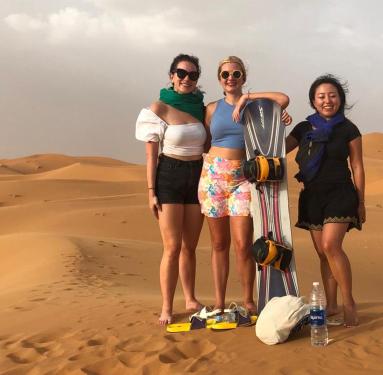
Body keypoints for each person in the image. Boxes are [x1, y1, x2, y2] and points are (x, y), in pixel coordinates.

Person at [198, 56, 291, 314]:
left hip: (243, 179)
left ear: (243, 78)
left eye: (236, 74)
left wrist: (246, 98)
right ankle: (219, 302)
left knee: (242, 244)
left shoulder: (254, 106)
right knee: (218, 244)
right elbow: (204, 143)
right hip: (214, 176)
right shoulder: (211, 109)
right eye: (225, 74)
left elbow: (282, 99)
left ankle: (248, 300)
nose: (230, 78)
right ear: (219, 79)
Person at [285, 74, 366, 327]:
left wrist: (361, 201)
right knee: (322, 253)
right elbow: (278, 146)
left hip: (340, 193)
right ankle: (330, 305)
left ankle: (348, 302)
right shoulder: (303, 128)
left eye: (332, 95)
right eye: (321, 96)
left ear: (340, 99)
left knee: (332, 246)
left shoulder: (348, 129)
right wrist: (278, 121)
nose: (327, 100)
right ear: (313, 100)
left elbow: (357, 166)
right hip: (312, 195)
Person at [135, 54, 206, 325]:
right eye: (181, 73)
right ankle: (167, 306)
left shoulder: (200, 108)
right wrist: (151, 190)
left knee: (191, 246)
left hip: (196, 176)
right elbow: (151, 155)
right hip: (169, 176)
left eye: (192, 74)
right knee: (172, 247)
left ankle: (190, 299)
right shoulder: (159, 108)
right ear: (171, 76)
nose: (186, 78)